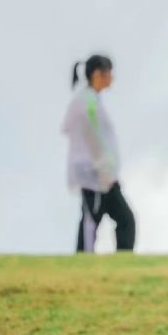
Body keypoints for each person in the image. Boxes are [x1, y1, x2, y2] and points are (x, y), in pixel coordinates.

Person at [62, 54, 136, 253]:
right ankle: (83, 263)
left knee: (125, 220)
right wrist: (102, 168)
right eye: (109, 73)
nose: (112, 78)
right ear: (98, 74)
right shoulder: (87, 102)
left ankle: (123, 264)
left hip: (104, 176)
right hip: (94, 175)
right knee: (90, 222)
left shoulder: (92, 100)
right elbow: (92, 135)